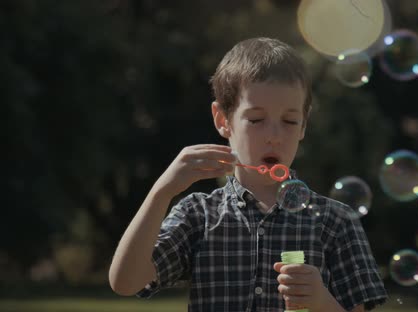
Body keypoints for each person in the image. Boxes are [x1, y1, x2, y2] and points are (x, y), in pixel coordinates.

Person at [109, 37, 387, 312]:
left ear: (304, 125)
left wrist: (322, 303)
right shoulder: (198, 216)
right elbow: (125, 282)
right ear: (223, 120)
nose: (275, 137)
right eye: (256, 120)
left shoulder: (336, 222)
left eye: (290, 121)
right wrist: (162, 191)